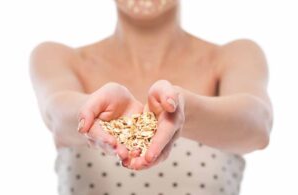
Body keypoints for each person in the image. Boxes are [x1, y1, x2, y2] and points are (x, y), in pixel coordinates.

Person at [29, 0, 273, 194]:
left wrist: (183, 110)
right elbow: (57, 115)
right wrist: (93, 110)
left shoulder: (233, 57)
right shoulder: (58, 57)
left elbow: (257, 126)